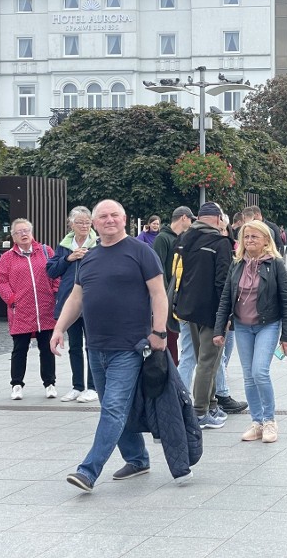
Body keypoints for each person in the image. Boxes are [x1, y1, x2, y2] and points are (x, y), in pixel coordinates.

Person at [50, 199, 175, 492]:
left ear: (124, 219)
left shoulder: (141, 251)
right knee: (111, 406)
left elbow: (159, 294)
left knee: (114, 409)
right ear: (94, 223)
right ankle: (137, 458)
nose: (109, 220)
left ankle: (88, 470)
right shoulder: (89, 257)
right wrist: (59, 329)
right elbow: (77, 298)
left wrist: (159, 332)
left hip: (130, 346)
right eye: (103, 216)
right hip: (96, 346)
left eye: (114, 215)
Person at [214, 220, 287, 444]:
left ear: (266, 240)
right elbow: (226, 298)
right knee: (249, 376)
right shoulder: (237, 263)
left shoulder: (276, 264)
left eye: (254, 237)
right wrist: (219, 328)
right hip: (241, 325)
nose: (249, 241)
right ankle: (256, 422)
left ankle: (270, 421)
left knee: (260, 372)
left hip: (267, 324)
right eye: (246, 237)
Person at [174, 202, 234, 429]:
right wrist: (226, 313)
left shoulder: (184, 239)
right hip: (212, 309)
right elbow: (223, 282)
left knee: (203, 358)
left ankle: (210, 404)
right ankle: (200, 411)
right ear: (219, 219)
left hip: (188, 308)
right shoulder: (220, 243)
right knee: (209, 361)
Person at [0, 219, 59, 400]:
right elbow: (1, 280)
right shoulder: (7, 258)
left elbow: (55, 273)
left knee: (47, 348)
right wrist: (12, 299)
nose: (23, 234)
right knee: (19, 348)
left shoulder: (45, 252)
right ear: (13, 237)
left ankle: (50, 383)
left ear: (32, 233)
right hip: (20, 310)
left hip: (45, 308)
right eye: (19, 232)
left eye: (26, 231)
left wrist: (54, 291)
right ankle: (16, 384)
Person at [45, 206, 99, 403]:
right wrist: (69, 258)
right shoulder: (64, 245)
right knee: (74, 346)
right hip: (70, 301)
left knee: (92, 346)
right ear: (71, 225)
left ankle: (93, 387)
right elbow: (51, 271)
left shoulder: (99, 243)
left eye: (87, 222)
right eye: (80, 222)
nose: (84, 226)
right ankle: (78, 386)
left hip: (93, 301)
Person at [153, 206, 195, 368]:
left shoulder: (183, 238)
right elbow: (158, 269)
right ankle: (170, 371)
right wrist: (163, 297)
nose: (191, 223)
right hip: (167, 295)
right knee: (169, 337)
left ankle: (174, 370)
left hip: (180, 294)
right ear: (183, 217)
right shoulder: (163, 238)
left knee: (175, 337)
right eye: (190, 219)